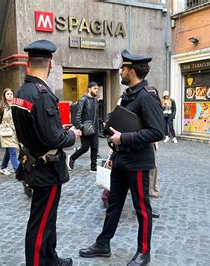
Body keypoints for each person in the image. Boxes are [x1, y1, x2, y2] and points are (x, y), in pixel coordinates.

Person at [79, 50, 164, 265]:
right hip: (121, 159)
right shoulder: (130, 93)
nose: (120, 71)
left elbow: (157, 132)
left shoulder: (147, 96)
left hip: (137, 163)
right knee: (114, 204)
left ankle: (144, 252)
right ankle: (103, 244)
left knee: (141, 209)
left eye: (123, 68)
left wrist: (123, 138)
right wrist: (113, 142)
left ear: (132, 71)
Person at [11, 40, 81, 266]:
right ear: (50, 64)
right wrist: (73, 135)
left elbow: (36, 129)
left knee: (47, 219)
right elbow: (53, 138)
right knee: (40, 224)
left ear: (28, 64)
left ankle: (51, 259)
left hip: (33, 162)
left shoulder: (22, 92)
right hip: (46, 169)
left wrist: (58, 130)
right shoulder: (41, 94)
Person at [67, 81, 99, 173]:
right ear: (89, 89)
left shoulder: (95, 100)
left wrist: (101, 123)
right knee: (85, 148)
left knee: (95, 147)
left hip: (95, 127)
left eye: (97, 88)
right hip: (86, 127)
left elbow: (96, 115)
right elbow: (78, 114)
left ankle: (93, 167)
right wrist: (80, 127)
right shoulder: (83, 100)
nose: (96, 90)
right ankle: (72, 158)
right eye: (94, 88)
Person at [0, 89, 18, 173]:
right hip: (6, 132)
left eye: (11, 94)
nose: (10, 95)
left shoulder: (16, 106)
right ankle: (18, 171)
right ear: (4, 96)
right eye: (8, 94)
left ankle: (3, 167)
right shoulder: (1, 107)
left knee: (8, 152)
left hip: (15, 132)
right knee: (13, 152)